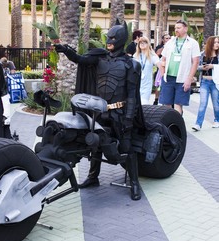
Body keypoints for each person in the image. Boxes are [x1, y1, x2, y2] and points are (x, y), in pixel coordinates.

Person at [54, 20, 144, 200]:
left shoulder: (131, 64)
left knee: (126, 147)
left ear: (121, 40)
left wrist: (128, 117)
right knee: (95, 144)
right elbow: (81, 59)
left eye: (113, 38)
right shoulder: (99, 58)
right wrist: (66, 50)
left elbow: (133, 94)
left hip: (120, 112)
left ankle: (134, 183)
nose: (109, 41)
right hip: (99, 110)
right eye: (108, 37)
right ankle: (92, 177)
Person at [159, 19, 200, 115]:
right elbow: (163, 59)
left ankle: (177, 126)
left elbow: (195, 62)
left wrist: (189, 79)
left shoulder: (193, 43)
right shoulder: (170, 42)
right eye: (175, 28)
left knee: (178, 104)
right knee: (166, 104)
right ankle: (168, 126)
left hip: (182, 79)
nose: (176, 29)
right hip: (168, 78)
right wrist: (162, 75)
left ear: (185, 29)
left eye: (179, 28)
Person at [192, 36, 219, 131]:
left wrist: (213, 66)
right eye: (215, 42)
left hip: (215, 82)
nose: (217, 44)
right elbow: (195, 66)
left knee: (216, 103)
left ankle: (217, 120)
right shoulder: (202, 54)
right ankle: (198, 124)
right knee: (203, 103)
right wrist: (202, 68)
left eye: (218, 42)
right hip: (204, 82)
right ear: (210, 43)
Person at [133, 36, 161, 104]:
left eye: (145, 42)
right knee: (135, 104)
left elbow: (160, 65)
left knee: (144, 103)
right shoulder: (135, 56)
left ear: (148, 44)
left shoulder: (152, 56)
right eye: (140, 43)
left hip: (147, 84)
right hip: (136, 83)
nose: (142, 44)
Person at [153, 34, 171, 105]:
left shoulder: (172, 47)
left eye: (169, 38)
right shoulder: (160, 47)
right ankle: (156, 99)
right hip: (160, 70)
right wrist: (165, 46)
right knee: (158, 86)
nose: (168, 39)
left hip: (168, 70)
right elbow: (157, 53)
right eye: (166, 38)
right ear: (163, 40)